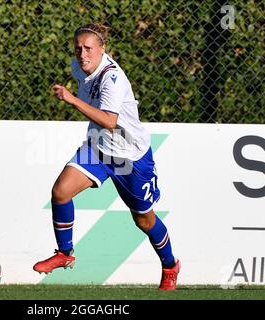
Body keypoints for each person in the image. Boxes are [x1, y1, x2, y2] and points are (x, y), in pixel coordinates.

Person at [33, 23, 180, 290]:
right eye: (78, 48)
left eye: (89, 48)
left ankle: (170, 265)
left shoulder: (113, 79)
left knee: (144, 220)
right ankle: (65, 253)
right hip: (99, 149)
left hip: (130, 157)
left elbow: (110, 121)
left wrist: (71, 99)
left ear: (103, 50)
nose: (82, 54)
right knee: (61, 192)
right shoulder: (78, 66)